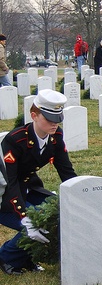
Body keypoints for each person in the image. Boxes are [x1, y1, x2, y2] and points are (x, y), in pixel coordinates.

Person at [0, 89, 77, 275]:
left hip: (28, 187)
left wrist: (78, 194)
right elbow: (9, 183)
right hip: (4, 196)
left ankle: (28, 258)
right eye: (49, 119)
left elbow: (66, 170)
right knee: (35, 223)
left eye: (57, 118)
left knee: (57, 213)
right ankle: (6, 256)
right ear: (33, 115)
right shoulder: (15, 140)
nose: (55, 124)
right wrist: (24, 216)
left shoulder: (56, 137)